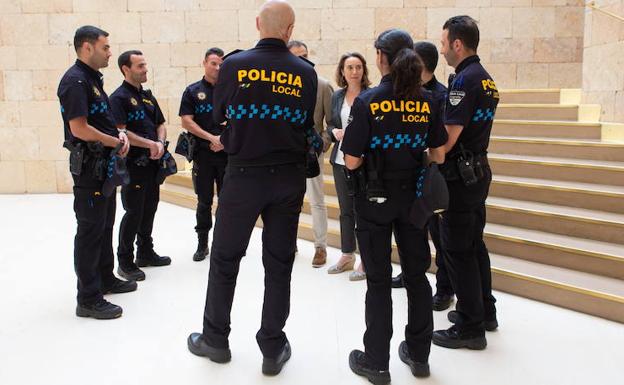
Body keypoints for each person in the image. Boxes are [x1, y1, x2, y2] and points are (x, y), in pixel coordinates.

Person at [187, 0, 318, 376]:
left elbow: (217, 116)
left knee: (225, 259)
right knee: (279, 264)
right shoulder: (305, 72)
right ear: (290, 31)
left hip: (243, 176)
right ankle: (273, 347)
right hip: (288, 178)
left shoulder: (233, 65)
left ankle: (215, 338)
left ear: (258, 23)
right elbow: (304, 121)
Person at [341, 29, 447, 384]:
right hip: (414, 200)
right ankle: (419, 356)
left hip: (374, 200)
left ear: (383, 58)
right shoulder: (429, 100)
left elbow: (352, 162)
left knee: (379, 281)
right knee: (417, 277)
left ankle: (377, 362)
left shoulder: (369, 100)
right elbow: (439, 153)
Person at [57, 25, 135, 320]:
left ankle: (105, 278)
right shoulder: (75, 81)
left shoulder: (91, 80)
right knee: (90, 230)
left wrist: (118, 137)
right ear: (87, 47)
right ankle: (88, 298)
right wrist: (115, 140)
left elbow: (99, 121)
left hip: (105, 166)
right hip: (90, 168)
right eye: (105, 47)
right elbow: (78, 128)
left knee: (104, 225)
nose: (110, 52)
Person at [432, 15, 499, 351]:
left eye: (444, 43)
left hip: (460, 177)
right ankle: (485, 311)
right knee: (474, 245)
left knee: (457, 250)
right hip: (478, 172)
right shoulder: (486, 79)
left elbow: (447, 142)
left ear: (457, 44)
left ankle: (471, 327)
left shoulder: (463, 81)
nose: (442, 50)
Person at [391, 41, 455, 311]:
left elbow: (439, 143)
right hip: (410, 176)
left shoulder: (439, 95)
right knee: (413, 230)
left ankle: (444, 289)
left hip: (431, 174)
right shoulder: (406, 92)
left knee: (439, 236)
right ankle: (409, 273)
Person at [109, 50, 171, 282]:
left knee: (150, 207)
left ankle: (145, 252)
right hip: (134, 165)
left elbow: (161, 123)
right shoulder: (118, 98)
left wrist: (160, 143)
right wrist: (150, 144)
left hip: (153, 164)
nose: (145, 69)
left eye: (145, 64)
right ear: (126, 69)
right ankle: (125, 261)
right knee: (133, 211)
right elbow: (121, 132)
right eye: (140, 66)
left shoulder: (147, 96)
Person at [179, 47, 227, 262]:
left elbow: (240, 118)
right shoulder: (192, 91)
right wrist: (211, 138)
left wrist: (224, 140)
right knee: (204, 201)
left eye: (220, 64)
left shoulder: (230, 90)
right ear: (205, 63)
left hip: (227, 154)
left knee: (227, 202)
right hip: (203, 155)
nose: (217, 68)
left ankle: (224, 244)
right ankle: (202, 244)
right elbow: (187, 121)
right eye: (213, 63)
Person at [287, 40, 333, 268]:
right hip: (287, 152)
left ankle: (320, 247)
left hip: (312, 153)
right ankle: (289, 243)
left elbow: (332, 124)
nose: (302, 60)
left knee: (317, 201)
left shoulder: (323, 85)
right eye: (296, 56)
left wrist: (320, 144)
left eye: (305, 55)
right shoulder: (282, 85)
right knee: (289, 201)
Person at [326, 52, 371, 281]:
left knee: (362, 211)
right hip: (340, 160)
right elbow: (330, 124)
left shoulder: (371, 95)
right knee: (345, 211)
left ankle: (365, 259)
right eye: (349, 67)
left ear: (364, 70)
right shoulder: (337, 97)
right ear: (342, 71)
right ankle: (346, 255)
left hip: (364, 162)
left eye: (358, 67)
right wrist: (333, 132)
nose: (354, 71)